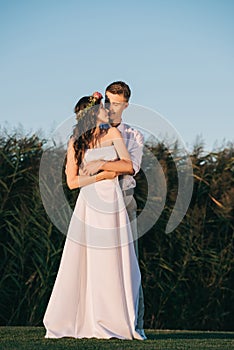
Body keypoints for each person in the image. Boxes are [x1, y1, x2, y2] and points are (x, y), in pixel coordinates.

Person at [43, 92, 144, 340]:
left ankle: (114, 320)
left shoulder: (112, 134)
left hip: (112, 203)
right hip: (89, 203)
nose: (106, 110)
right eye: (101, 107)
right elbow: (72, 182)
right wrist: (101, 176)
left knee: (112, 259)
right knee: (85, 260)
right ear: (91, 113)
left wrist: (101, 165)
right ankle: (81, 320)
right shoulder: (74, 142)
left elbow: (128, 166)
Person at [82, 81, 146, 339]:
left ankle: (134, 324)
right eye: (108, 101)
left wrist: (100, 163)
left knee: (129, 264)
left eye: (117, 103)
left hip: (124, 196)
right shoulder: (92, 130)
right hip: (94, 201)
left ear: (126, 105)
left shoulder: (134, 135)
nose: (112, 107)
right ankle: (93, 321)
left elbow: (130, 167)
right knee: (94, 262)